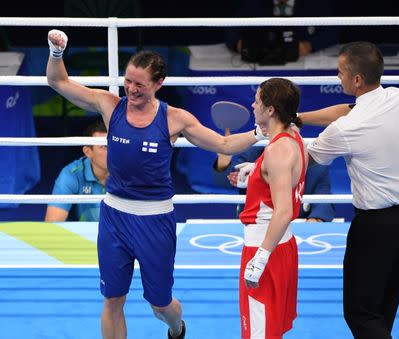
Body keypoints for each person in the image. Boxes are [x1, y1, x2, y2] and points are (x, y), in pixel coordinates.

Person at [46, 29, 266, 339]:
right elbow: (58, 82)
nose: (131, 90)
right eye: (128, 81)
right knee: (112, 299)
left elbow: (224, 145)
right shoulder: (110, 105)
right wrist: (57, 55)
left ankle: (177, 328)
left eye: (140, 84)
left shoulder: (176, 119)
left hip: (156, 221)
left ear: (158, 84)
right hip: (115, 218)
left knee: (160, 305)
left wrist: (261, 132)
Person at [299, 41, 399, 338]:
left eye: (341, 72)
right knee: (382, 310)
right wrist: (300, 119)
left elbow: (302, 162)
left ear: (356, 79)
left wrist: (280, 136)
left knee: (360, 313)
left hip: (378, 229)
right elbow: (346, 110)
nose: (338, 77)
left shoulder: (345, 130)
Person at [232, 78, 306, 338]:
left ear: (271, 109)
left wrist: (261, 258)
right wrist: (255, 175)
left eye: (257, 100)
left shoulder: (277, 151)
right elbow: (282, 183)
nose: (253, 105)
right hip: (282, 246)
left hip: (265, 247)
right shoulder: (294, 138)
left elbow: (283, 211)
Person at [213, 146, 335, 222]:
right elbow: (230, 179)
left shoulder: (316, 167)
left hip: (294, 227)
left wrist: (314, 221)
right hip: (256, 223)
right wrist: (223, 164)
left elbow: (323, 200)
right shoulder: (254, 152)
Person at [225, 0, 339, 62]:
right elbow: (231, 29)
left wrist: (310, 45)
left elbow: (333, 31)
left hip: (302, 60)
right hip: (259, 60)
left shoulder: (314, 3)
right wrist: (237, 44)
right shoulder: (254, 3)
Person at [45, 118, 108, 222]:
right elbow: (52, 224)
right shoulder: (71, 174)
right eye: (104, 147)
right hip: (83, 235)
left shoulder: (131, 172)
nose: (112, 151)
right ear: (88, 152)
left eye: (115, 145)